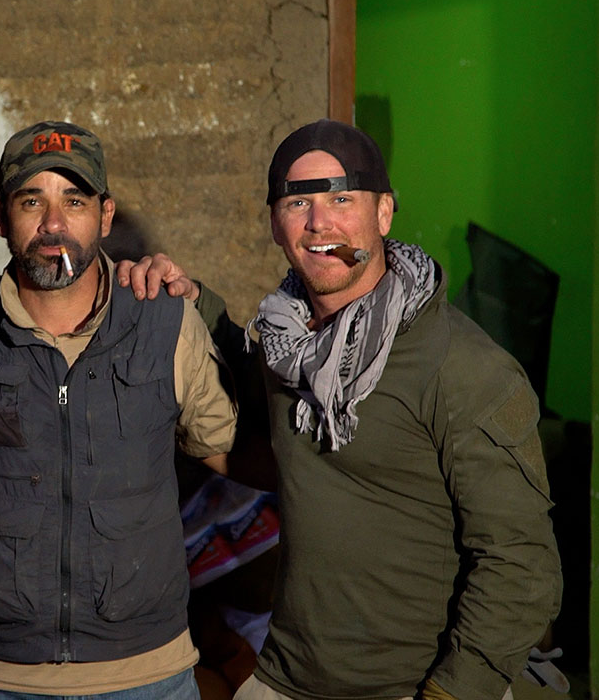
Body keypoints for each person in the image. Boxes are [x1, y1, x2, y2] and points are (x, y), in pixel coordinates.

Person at [122, 119, 562, 700]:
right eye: (297, 202)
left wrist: (453, 692)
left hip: (413, 687)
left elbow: (521, 566)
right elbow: (260, 413)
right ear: (275, 224)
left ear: (384, 213)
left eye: (342, 199)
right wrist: (191, 302)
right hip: (286, 678)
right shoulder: (290, 344)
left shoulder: (463, 367)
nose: (319, 222)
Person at [0, 121, 237, 699]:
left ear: (105, 217)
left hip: (151, 676)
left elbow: (232, 455)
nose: (53, 223)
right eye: (31, 201)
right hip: (2, 679)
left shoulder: (168, 325)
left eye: (75, 201)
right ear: (1, 218)